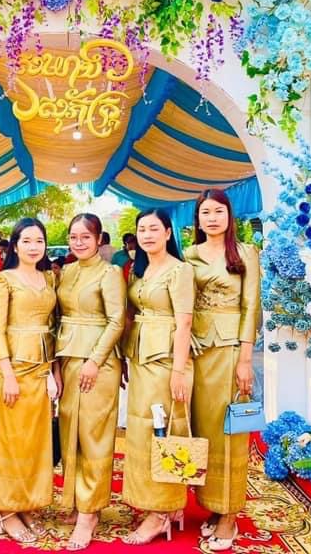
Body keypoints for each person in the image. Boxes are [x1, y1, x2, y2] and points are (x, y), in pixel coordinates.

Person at [184, 189, 261, 551]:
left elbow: (251, 306)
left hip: (230, 350)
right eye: (205, 213)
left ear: (229, 216)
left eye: (218, 211)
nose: (212, 218)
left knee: (231, 432)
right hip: (197, 350)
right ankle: (213, 506)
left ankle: (230, 515)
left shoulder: (245, 253)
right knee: (204, 430)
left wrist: (246, 359)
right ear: (197, 219)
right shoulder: (189, 256)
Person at [121, 209, 194, 545]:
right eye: (142, 230)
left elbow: (185, 322)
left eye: (154, 229)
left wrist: (179, 370)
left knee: (165, 431)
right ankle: (159, 503)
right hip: (140, 356)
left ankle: (162, 510)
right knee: (141, 431)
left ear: (168, 233)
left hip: (166, 358)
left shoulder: (180, 270)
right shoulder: (139, 269)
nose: (147, 235)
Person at [0, 217, 59, 543]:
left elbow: (53, 328)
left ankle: (26, 503)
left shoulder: (49, 277)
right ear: (15, 245)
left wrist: (53, 371)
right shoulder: (2, 280)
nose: (33, 246)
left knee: (33, 442)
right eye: (26, 240)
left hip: (41, 366)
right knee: (9, 441)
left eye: (39, 240)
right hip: (13, 366)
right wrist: (8, 374)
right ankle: (6, 511)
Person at [55, 213, 125, 550]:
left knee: (94, 434)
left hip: (99, 362)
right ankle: (76, 499)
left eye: (86, 236)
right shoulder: (67, 271)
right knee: (71, 431)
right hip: (69, 357)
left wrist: (95, 360)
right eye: (74, 236)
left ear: (99, 240)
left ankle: (90, 512)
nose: (79, 242)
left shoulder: (110, 273)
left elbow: (117, 320)